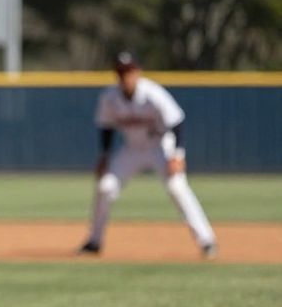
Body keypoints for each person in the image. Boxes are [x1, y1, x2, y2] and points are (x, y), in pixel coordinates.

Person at [78, 51, 217, 259]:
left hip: (160, 145)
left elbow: (176, 121)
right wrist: (104, 156)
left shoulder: (152, 93)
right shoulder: (110, 97)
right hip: (132, 149)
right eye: (121, 72)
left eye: (129, 72)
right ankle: (95, 241)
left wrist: (177, 155)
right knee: (105, 186)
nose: (125, 77)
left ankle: (206, 240)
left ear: (137, 72)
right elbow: (106, 127)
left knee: (177, 187)